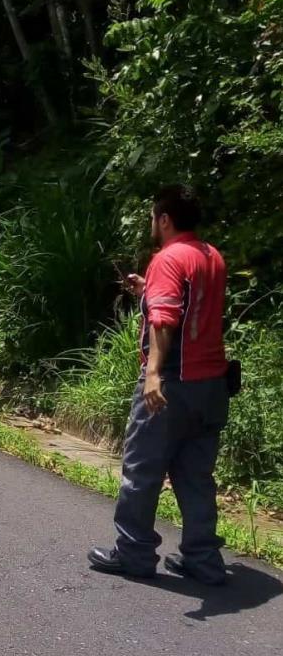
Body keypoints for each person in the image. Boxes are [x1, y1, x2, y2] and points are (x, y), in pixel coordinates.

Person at [89, 185, 231, 585]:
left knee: (142, 470)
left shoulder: (168, 259)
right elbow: (192, 311)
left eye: (154, 217)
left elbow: (165, 320)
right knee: (196, 475)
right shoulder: (211, 256)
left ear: (164, 219)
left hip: (173, 384)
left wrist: (153, 374)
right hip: (212, 385)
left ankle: (133, 553)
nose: (153, 223)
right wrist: (146, 292)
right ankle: (203, 560)